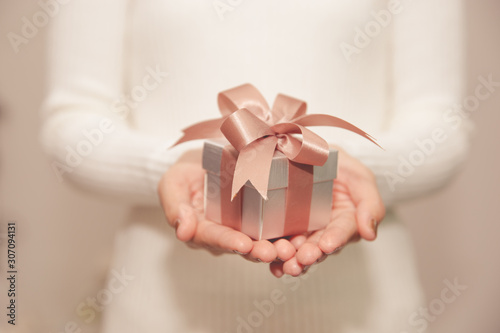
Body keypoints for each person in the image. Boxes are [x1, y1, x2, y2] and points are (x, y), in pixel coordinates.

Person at [40, 0, 470, 332]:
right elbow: (72, 121)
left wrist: (343, 170)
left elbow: (441, 127)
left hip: (367, 313)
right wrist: (181, 169)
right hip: (160, 314)